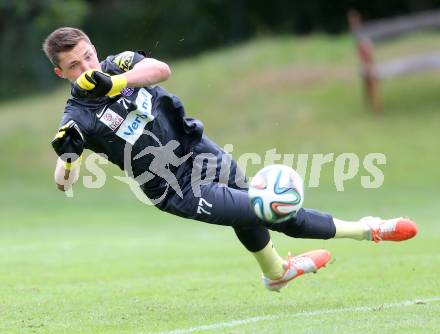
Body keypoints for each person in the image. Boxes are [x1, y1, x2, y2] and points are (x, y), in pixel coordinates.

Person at [43, 27, 417, 292]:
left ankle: (275, 272)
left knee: (252, 204)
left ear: (94, 47)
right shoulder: (77, 117)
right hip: (177, 188)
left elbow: (160, 70)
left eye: (88, 55)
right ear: (61, 73)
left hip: (199, 149)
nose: (87, 67)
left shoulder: (119, 64)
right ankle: (370, 229)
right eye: (75, 65)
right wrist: (70, 160)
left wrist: (117, 83)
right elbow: (63, 180)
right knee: (266, 208)